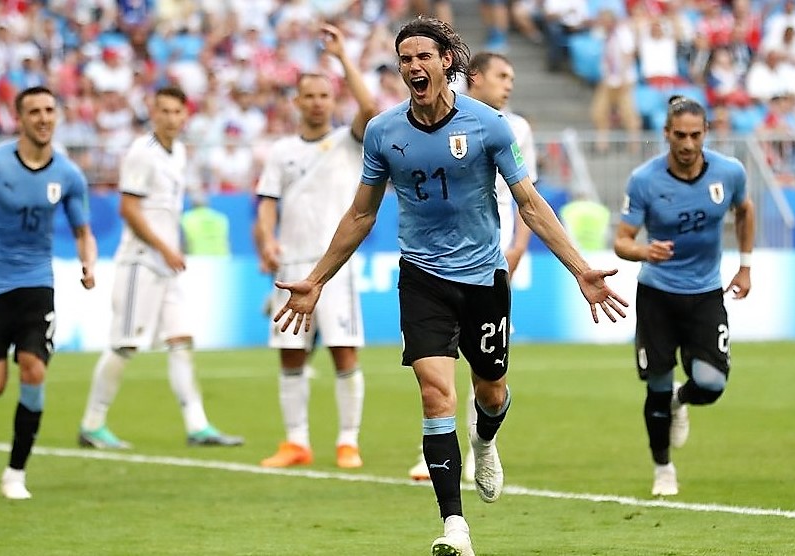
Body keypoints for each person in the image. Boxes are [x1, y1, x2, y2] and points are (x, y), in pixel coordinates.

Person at [272, 17, 627, 555]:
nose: (413, 66)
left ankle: (484, 440)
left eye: (423, 57)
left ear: (446, 62)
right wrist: (317, 279)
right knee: (436, 393)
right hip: (422, 277)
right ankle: (455, 526)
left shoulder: (489, 125)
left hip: (483, 277)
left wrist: (580, 269)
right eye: (405, 58)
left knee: (491, 391)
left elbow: (530, 204)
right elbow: (362, 214)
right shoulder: (383, 132)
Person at [0, 86, 98, 500]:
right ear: (19, 118)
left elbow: (83, 230)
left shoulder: (68, 174)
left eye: (50, 110)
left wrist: (88, 262)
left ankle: (15, 472)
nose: (44, 118)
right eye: (35, 112)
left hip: (37, 284)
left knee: (34, 369)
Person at [77, 85, 243, 450]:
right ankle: (92, 424)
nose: (170, 118)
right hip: (140, 263)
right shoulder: (142, 153)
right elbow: (129, 209)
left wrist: (171, 247)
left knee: (181, 340)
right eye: (163, 111)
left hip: (165, 266)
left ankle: (198, 426)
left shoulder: (178, 152)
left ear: (185, 116)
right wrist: (166, 247)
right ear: (153, 113)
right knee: (125, 344)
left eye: (176, 112)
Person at [613, 95, 755, 497]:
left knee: (711, 384)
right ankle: (663, 469)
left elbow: (745, 210)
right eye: (680, 135)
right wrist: (645, 251)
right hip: (657, 294)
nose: (688, 144)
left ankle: (681, 399)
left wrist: (745, 265)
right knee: (655, 385)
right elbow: (622, 240)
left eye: (695, 135)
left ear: (706, 132)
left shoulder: (730, 172)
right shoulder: (644, 180)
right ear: (666, 134)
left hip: (706, 293)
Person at [253, 24, 379, 469]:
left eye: (324, 95)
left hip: (335, 266)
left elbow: (370, 108)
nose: (317, 102)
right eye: (308, 96)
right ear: (296, 102)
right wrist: (267, 240)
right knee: (290, 355)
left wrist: (343, 57)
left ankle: (348, 441)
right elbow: (266, 204)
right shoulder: (281, 151)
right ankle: (296, 442)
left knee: (344, 351)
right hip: (291, 265)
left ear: (332, 99)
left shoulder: (347, 141)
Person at [407, 50, 536, 483]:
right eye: (502, 75)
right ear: (474, 76)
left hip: (490, 255)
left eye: (512, 77)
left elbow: (527, 194)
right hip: (433, 260)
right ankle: (437, 449)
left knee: (486, 371)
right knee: (435, 365)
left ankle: (479, 442)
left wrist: (518, 247)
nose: (509, 84)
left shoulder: (515, 127)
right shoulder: (430, 119)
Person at [181, 191, 231, 256]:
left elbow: (183, 243)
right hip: (222, 257)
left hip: (197, 258)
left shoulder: (186, 218)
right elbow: (226, 242)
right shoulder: (221, 218)